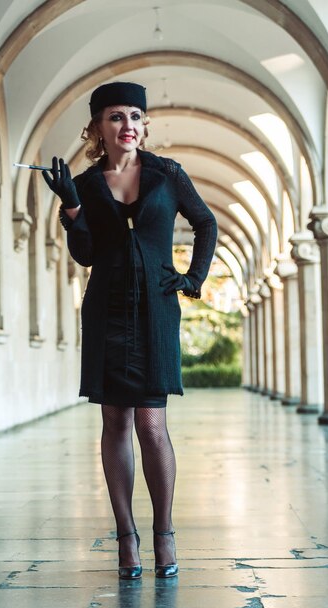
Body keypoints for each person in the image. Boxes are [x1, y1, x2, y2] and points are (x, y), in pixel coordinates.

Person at [42, 81, 217, 580]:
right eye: (116, 116)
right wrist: (73, 209)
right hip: (107, 311)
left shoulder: (167, 175)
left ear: (144, 125)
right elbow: (86, 254)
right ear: (98, 125)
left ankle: (163, 531)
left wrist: (193, 278)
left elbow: (206, 223)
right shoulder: (87, 184)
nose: (127, 126)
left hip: (157, 312)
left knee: (152, 425)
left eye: (135, 116)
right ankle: (126, 537)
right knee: (115, 423)